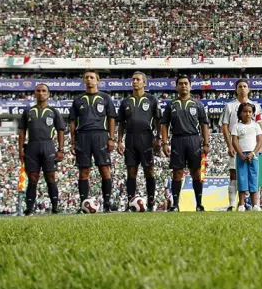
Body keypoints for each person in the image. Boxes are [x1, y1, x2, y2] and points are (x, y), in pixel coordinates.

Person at [161, 74, 210, 212]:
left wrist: (206, 143)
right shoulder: (171, 105)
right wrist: (164, 143)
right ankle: (175, 204)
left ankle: (199, 204)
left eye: (186, 83)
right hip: (177, 139)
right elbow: (164, 124)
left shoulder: (197, 104)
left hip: (194, 139)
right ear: (176, 86)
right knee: (177, 172)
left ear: (190, 86)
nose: (183, 85)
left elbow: (204, 125)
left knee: (196, 172)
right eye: (180, 83)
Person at [70, 70, 117, 212]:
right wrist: (73, 141)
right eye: (86, 78)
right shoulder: (78, 100)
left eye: (92, 77)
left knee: (104, 169)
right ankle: (83, 203)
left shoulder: (105, 98)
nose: (89, 80)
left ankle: (107, 203)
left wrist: (111, 138)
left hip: (101, 135)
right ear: (84, 81)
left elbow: (111, 119)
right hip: (83, 136)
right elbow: (72, 121)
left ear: (98, 80)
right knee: (84, 171)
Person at [18, 83, 66, 215]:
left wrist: (61, 149)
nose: (40, 93)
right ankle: (29, 208)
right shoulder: (28, 111)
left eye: (43, 91)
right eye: (38, 90)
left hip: (48, 145)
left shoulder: (54, 112)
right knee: (33, 177)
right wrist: (20, 149)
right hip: (32, 146)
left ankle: (55, 206)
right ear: (34, 93)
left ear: (48, 94)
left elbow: (60, 131)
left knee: (50, 176)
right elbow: (22, 131)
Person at [117, 72, 161, 212]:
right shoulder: (125, 102)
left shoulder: (152, 100)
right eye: (133, 79)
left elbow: (158, 120)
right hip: (130, 138)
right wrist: (119, 140)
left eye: (138, 79)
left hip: (146, 138)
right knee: (131, 171)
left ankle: (151, 202)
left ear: (144, 83)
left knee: (149, 170)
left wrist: (158, 138)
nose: (135, 81)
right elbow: (121, 124)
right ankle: (130, 202)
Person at [220, 79, 262, 211]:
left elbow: (260, 125)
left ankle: (254, 204)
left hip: (252, 147)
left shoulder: (256, 106)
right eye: (240, 86)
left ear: (249, 89)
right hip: (237, 145)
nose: (242, 88)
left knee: (254, 174)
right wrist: (230, 145)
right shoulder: (230, 106)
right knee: (234, 173)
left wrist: (259, 147)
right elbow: (225, 126)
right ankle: (233, 204)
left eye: (245, 86)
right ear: (236, 89)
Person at [231, 102, 262, 212]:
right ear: (240, 113)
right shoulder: (237, 126)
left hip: (253, 155)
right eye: (245, 111)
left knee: (253, 178)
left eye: (250, 112)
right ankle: (241, 204)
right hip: (241, 154)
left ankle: (255, 204)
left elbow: (260, 140)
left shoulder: (255, 125)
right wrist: (240, 154)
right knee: (242, 178)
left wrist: (254, 153)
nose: (247, 114)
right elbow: (234, 142)